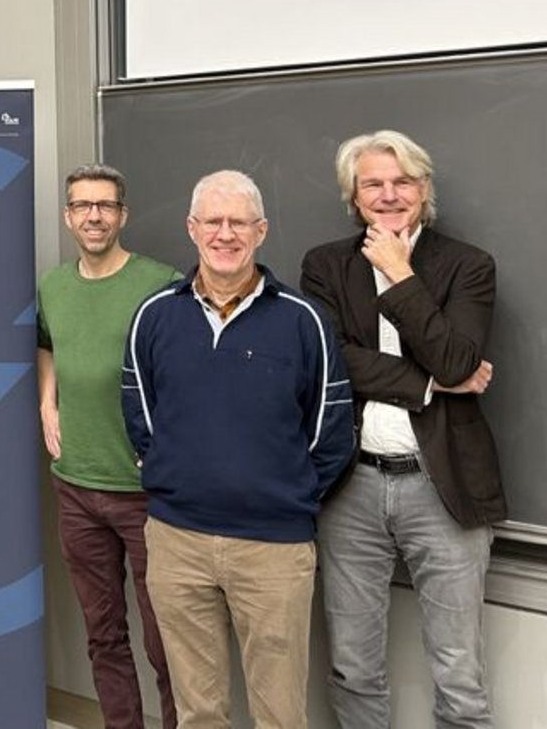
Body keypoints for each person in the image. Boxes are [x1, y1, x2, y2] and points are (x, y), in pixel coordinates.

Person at [122, 169, 354, 728]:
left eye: (239, 223)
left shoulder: (304, 321)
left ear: (261, 231)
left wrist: (284, 493)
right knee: (198, 712)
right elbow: (141, 415)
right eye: (213, 221)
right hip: (177, 542)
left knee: (280, 713)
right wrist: (177, 478)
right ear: (192, 228)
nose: (225, 234)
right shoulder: (155, 315)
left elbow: (332, 432)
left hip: (273, 549)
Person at [300, 130, 503, 728]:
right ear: (354, 196)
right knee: (353, 666)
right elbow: (332, 361)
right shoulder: (324, 266)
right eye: (373, 184)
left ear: (424, 189)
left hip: (444, 486)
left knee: (459, 671)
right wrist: (431, 384)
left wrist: (399, 272)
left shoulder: (468, 265)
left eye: (403, 182)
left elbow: (458, 360)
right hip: (351, 487)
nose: (389, 195)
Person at [37, 164, 180, 729]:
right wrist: (47, 402)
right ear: (67, 216)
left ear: (123, 215)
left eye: (104, 206)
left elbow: (189, 369)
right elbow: (47, 344)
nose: (93, 216)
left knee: (167, 641)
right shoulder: (53, 286)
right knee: (104, 635)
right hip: (76, 487)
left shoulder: (161, 283)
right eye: (82, 206)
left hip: (147, 492)